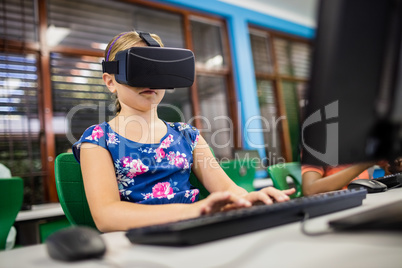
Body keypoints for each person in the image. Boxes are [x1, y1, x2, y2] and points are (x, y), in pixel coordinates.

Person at [73, 31, 295, 232]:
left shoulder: (187, 135)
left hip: (196, 230)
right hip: (139, 239)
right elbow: (106, 216)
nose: (149, 81)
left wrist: (250, 200)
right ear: (110, 81)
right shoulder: (98, 139)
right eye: (139, 70)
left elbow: (227, 187)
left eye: (157, 70)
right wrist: (193, 212)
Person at [302, 158, 402, 196]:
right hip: (338, 206)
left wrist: (392, 172)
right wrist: (365, 163)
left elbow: (369, 184)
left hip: (365, 201)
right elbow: (310, 189)